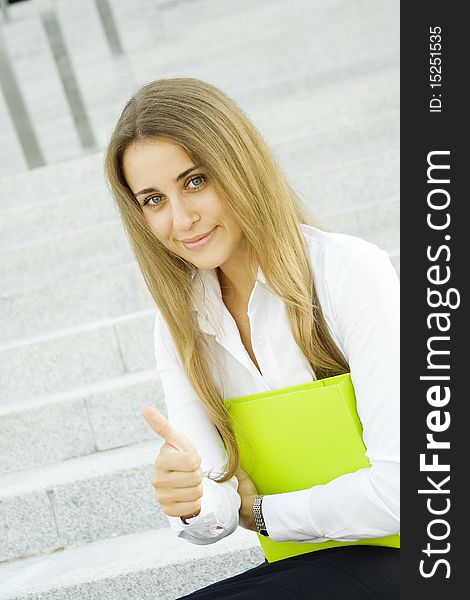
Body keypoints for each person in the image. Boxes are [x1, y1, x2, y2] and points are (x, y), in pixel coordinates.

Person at [104, 77, 400, 599]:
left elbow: (405, 492)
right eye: (153, 199)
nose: (181, 218)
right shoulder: (181, 324)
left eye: (195, 181)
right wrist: (192, 496)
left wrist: (262, 512)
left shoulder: (350, 273)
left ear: (240, 164)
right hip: (319, 563)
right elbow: (218, 507)